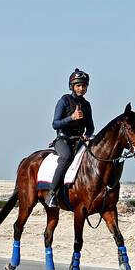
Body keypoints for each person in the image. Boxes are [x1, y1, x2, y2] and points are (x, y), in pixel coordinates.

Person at [45, 68, 94, 208]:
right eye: (78, 85)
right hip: (63, 140)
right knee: (66, 157)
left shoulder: (87, 105)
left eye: (84, 85)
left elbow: (91, 127)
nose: (81, 88)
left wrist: (87, 135)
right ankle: (52, 194)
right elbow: (55, 124)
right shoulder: (64, 101)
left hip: (80, 140)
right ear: (72, 86)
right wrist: (71, 118)